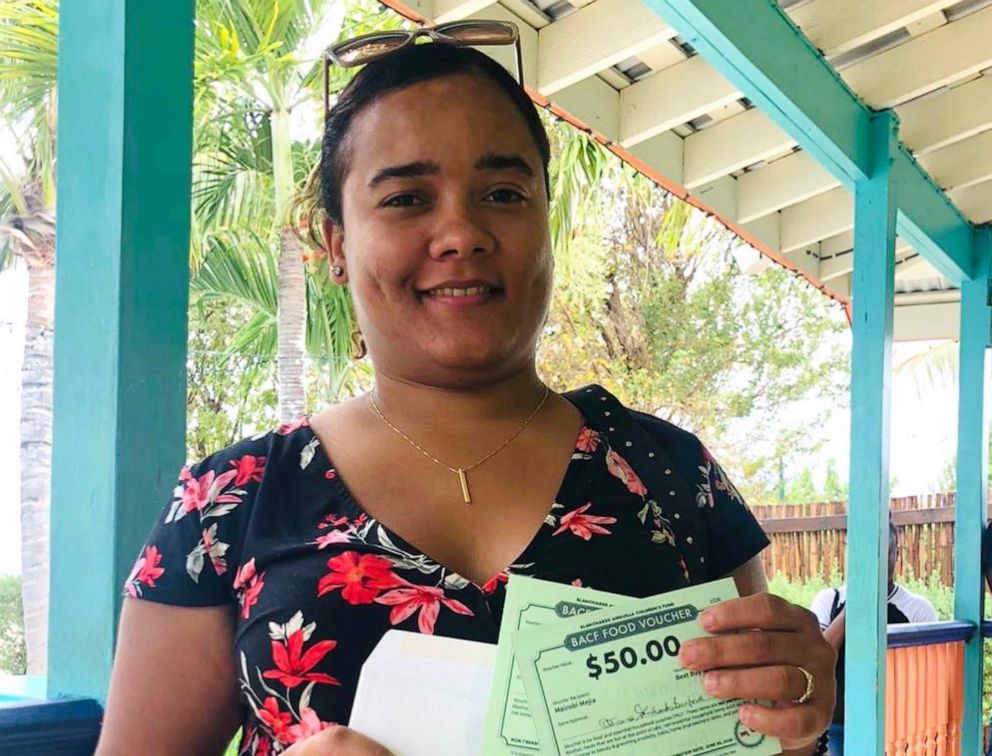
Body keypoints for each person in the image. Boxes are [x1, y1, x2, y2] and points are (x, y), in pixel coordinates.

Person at [95, 26, 835, 756]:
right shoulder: (230, 504)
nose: (461, 232)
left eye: (503, 193)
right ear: (335, 246)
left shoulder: (672, 475)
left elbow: (751, 730)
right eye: (407, 199)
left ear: (547, 221)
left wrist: (796, 722)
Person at [809, 522, 938, 756]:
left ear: (896, 554)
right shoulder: (830, 600)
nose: (874, 560)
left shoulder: (917, 609)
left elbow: (927, 681)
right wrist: (858, 600)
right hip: (835, 727)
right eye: (863, 550)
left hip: (896, 732)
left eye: (884, 551)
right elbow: (816, 661)